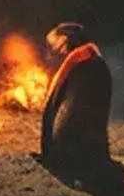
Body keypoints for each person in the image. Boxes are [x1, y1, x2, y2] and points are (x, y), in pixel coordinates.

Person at [41, 22, 113, 180]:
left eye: (55, 46)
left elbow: (50, 106)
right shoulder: (98, 60)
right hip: (95, 152)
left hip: (65, 154)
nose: (55, 52)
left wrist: (45, 154)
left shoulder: (74, 60)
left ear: (64, 41)